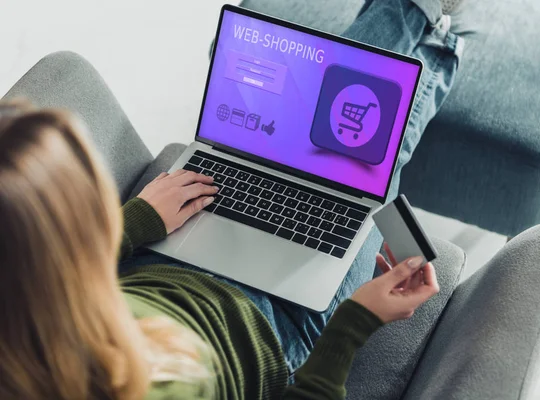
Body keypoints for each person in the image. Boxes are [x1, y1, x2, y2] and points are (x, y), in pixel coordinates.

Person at [0, 0, 462, 398]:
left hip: (161, 256)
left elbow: (65, 262)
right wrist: (354, 325)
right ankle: (431, 27)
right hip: (277, 318)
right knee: (362, 167)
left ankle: (426, 21)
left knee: (290, 144)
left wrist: (137, 221)